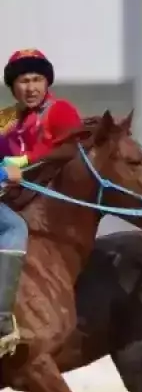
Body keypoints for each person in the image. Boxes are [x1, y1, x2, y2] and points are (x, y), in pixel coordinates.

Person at [0, 49, 83, 355]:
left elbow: (69, 148)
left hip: (32, 197)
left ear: (46, 82)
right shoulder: (5, 119)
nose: (31, 87)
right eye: (23, 80)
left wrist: (23, 161)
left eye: (37, 79)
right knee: (13, 228)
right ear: (14, 87)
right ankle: (2, 323)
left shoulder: (60, 111)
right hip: (11, 197)